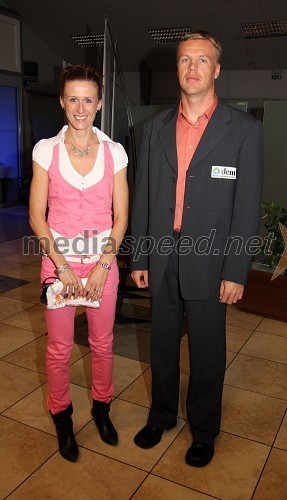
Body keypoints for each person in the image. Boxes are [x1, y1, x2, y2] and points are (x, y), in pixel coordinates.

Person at [130, 31, 263, 467]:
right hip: (162, 257)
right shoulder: (153, 129)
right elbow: (144, 197)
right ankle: (162, 415)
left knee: (207, 353)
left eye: (202, 60)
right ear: (178, 69)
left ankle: (204, 430)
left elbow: (247, 206)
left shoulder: (243, 130)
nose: (192, 68)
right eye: (185, 60)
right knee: (162, 345)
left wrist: (236, 271)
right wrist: (141, 256)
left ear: (217, 69)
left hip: (212, 262)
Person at [29, 65, 128, 462]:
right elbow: (38, 215)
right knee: (59, 349)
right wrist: (63, 268)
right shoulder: (45, 150)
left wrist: (105, 264)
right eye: (73, 99)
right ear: (62, 101)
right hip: (60, 266)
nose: (80, 107)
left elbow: (121, 217)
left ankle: (101, 409)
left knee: (103, 344)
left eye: (88, 99)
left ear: (100, 103)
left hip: (103, 264)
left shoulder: (114, 151)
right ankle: (63, 417)